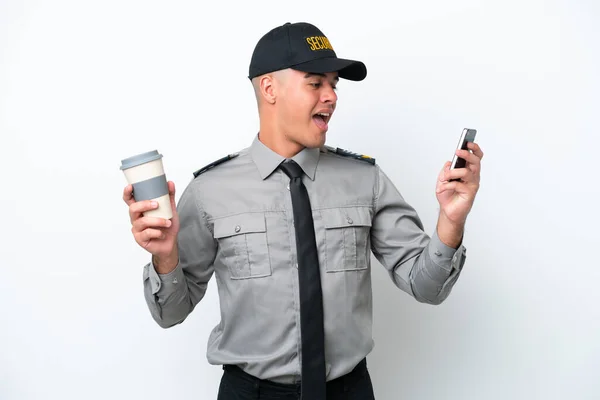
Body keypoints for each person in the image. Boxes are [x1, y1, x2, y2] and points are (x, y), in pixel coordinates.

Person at [123, 21, 483, 400]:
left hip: (349, 392)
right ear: (269, 88)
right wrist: (164, 258)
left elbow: (427, 286)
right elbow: (170, 313)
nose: (331, 96)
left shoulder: (365, 180)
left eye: (334, 84)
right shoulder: (210, 191)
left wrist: (451, 220)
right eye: (316, 83)